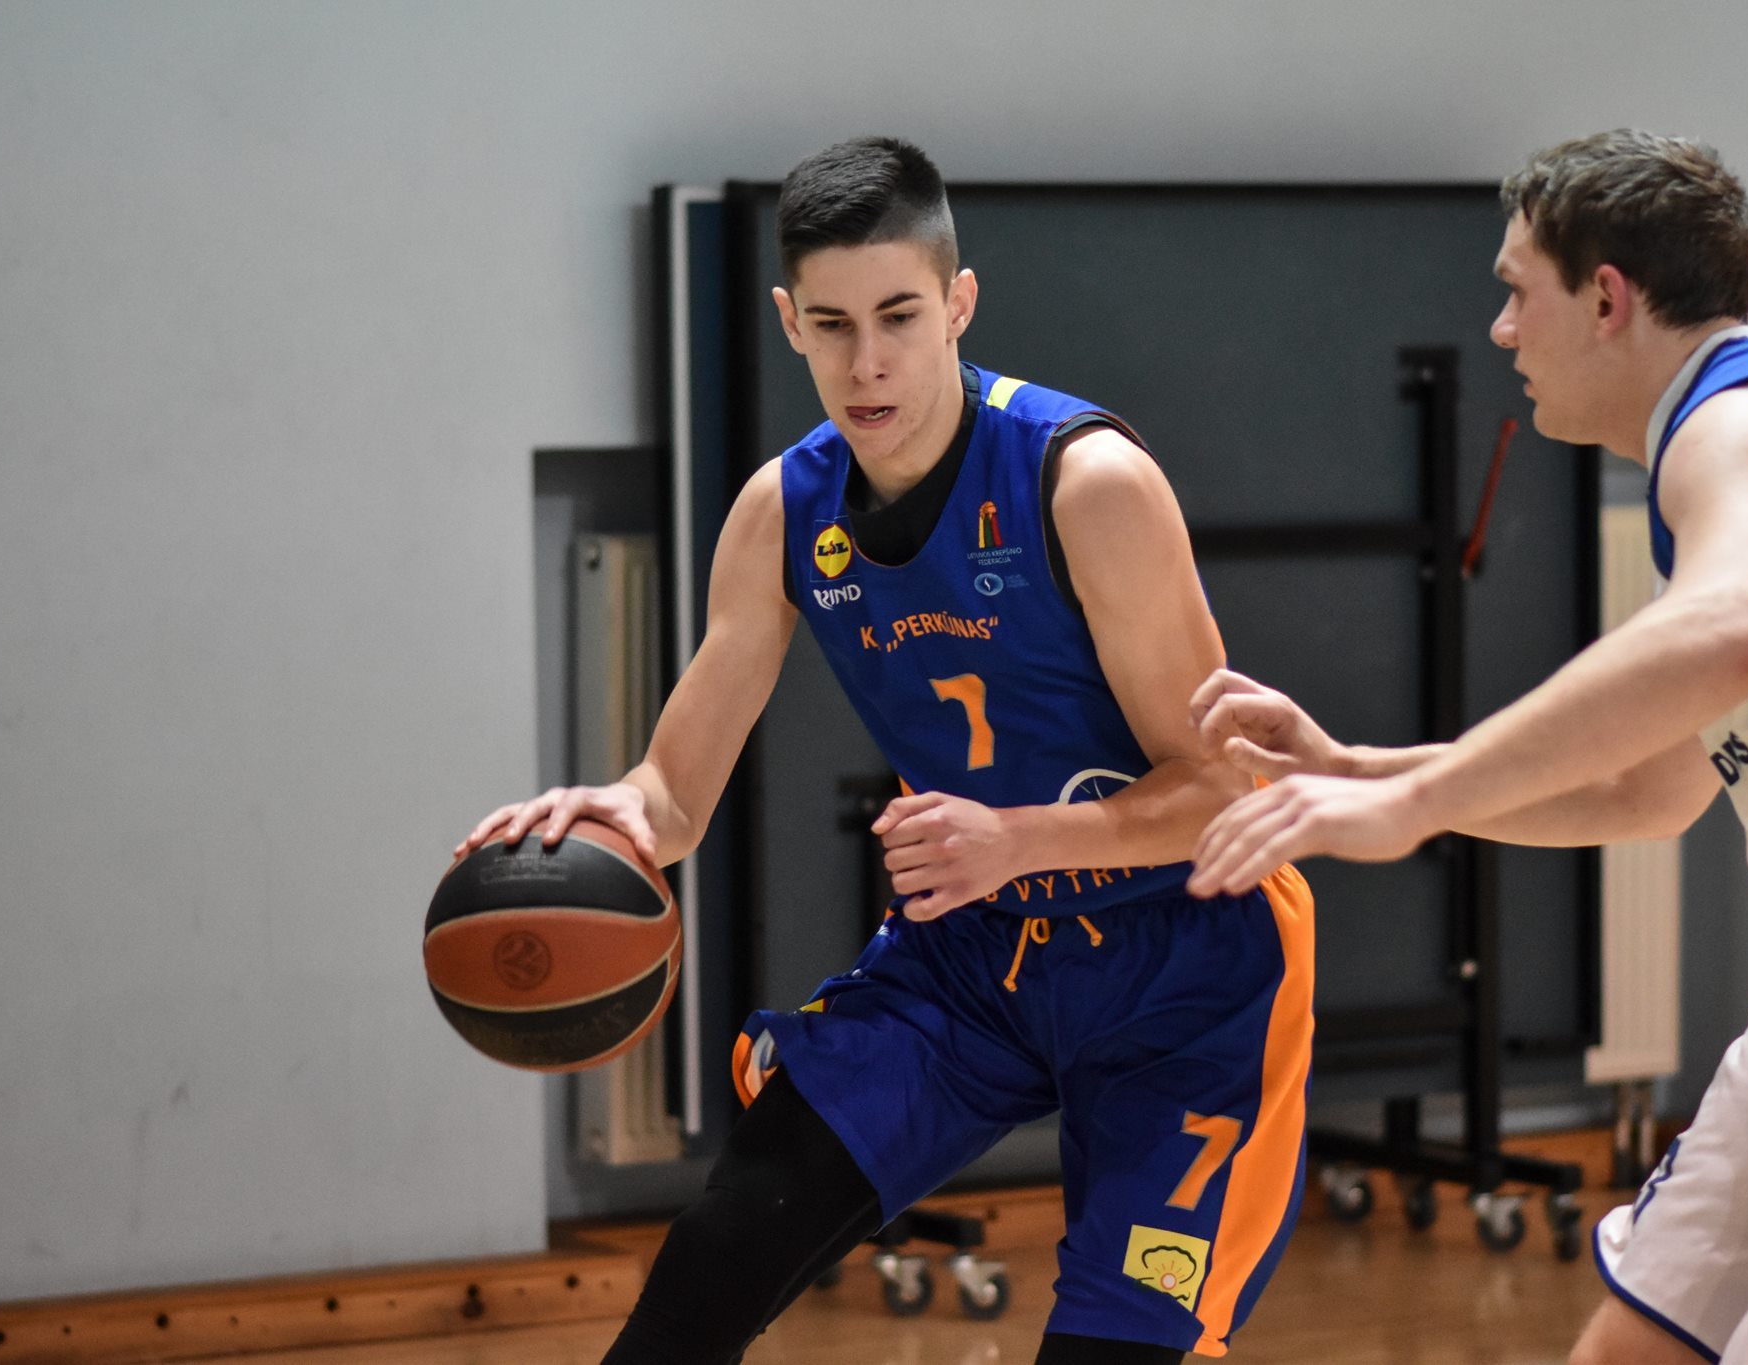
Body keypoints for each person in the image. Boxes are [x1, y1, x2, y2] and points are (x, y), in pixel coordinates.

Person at [458, 136, 1314, 1364]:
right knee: (716, 1254)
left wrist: (1015, 840)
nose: (866, 363)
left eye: (899, 317)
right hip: (969, 957)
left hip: (1183, 963)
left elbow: (1229, 790)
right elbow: (672, 795)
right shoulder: (781, 511)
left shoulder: (1087, 484)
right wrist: (620, 817)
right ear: (788, 323)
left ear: (957, 304)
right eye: (832, 324)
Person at [1186, 128, 1748, 1364]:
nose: (1502, 330)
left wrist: (1413, 806)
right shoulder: (1721, 450)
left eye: (1518, 292)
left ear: (1606, 299)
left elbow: (1733, 631)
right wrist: (1363, 772)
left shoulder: (1740, 422)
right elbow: (1641, 789)